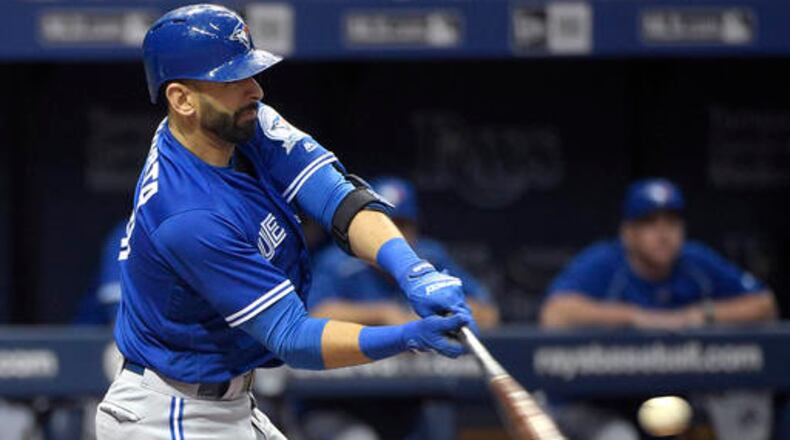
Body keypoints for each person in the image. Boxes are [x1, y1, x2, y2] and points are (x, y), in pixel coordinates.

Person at [96, 5, 476, 440]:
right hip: (168, 414)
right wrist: (406, 337)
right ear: (182, 99)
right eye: (232, 79)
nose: (254, 89)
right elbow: (293, 336)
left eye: (250, 73)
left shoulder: (240, 125)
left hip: (226, 402)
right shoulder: (187, 215)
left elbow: (337, 199)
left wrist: (413, 271)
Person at [539, 178, 777, 440]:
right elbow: (555, 313)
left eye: (672, 223)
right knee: (619, 436)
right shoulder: (605, 262)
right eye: (650, 223)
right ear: (628, 233)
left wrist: (700, 314)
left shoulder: (694, 260)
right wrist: (637, 317)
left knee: (741, 399)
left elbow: (764, 304)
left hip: (674, 396)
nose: (663, 234)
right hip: (598, 401)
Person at [309, 176, 499, 328]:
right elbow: (314, 317)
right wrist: (380, 314)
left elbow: (488, 313)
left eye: (402, 225)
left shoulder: (431, 256)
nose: (393, 235)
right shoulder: (339, 262)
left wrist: (442, 315)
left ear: (415, 227)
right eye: (385, 225)